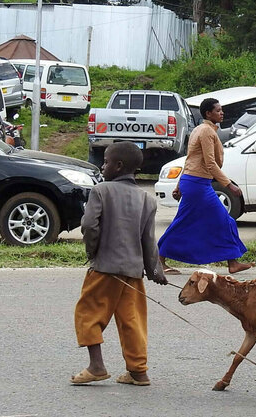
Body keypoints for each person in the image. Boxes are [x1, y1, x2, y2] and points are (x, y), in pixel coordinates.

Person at [71, 142, 168, 386]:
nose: (103, 166)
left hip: (105, 268)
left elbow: (89, 225)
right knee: (131, 320)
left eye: (105, 162)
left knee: (88, 313)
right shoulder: (147, 199)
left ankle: (96, 366)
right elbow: (148, 239)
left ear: (118, 165)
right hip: (133, 272)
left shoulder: (101, 190)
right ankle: (138, 371)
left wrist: (93, 252)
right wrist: (154, 269)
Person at [158, 98, 251, 274]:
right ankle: (159, 258)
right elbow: (210, 164)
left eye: (221, 110)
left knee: (197, 221)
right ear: (208, 113)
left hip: (193, 182)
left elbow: (190, 160)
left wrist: (179, 185)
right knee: (222, 220)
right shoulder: (207, 132)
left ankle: (232, 262)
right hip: (198, 185)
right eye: (218, 110)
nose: (221, 113)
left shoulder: (199, 130)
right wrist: (229, 185)